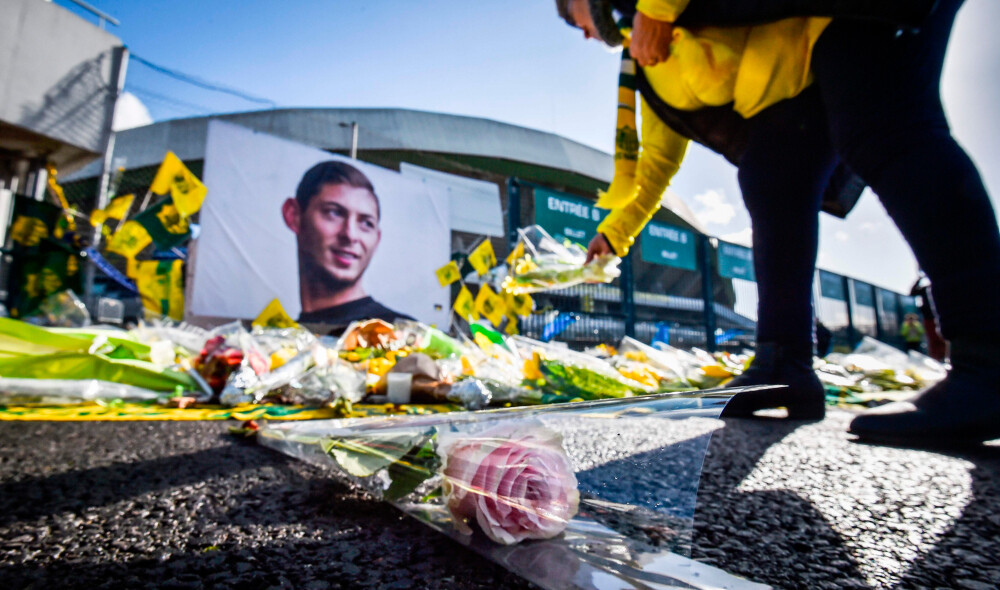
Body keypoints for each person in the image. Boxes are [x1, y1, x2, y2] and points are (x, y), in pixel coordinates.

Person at [561, 0, 1000, 444]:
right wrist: (612, 235)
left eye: (568, 10)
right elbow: (655, 163)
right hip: (791, 92)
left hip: (827, 35)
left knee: (883, 121)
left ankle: (987, 355)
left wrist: (656, 8)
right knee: (770, 179)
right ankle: (783, 364)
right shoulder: (645, 61)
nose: (579, 31)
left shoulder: (647, 16)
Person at [281, 160, 414, 330]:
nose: (350, 235)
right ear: (294, 215)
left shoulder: (403, 337)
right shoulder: (278, 342)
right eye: (334, 213)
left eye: (366, 224)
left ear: (377, 239)